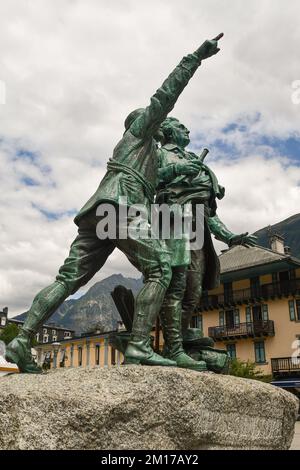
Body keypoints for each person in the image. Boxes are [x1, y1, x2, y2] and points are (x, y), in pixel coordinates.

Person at [6, 35, 224, 373]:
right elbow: (164, 95)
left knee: (68, 278)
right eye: (157, 122)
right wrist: (194, 58)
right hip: (121, 207)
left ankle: (23, 338)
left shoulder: (146, 154)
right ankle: (138, 345)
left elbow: (170, 172)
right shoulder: (140, 134)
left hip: (100, 213)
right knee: (161, 268)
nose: (162, 125)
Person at [157, 116, 257, 371]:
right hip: (172, 227)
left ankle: (176, 344)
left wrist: (230, 236)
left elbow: (208, 213)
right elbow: (150, 184)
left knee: (193, 293)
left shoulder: (191, 158)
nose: (187, 130)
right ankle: (174, 347)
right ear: (169, 133)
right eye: (181, 127)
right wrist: (177, 174)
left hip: (197, 231)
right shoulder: (160, 156)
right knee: (176, 289)